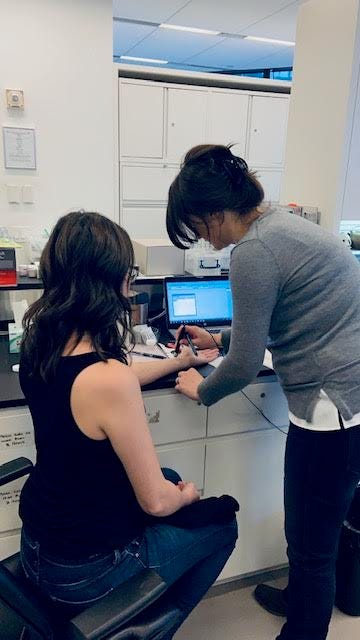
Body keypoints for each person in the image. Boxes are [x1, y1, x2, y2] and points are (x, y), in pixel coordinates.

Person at [166, 144, 360, 640]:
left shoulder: (253, 252)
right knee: (317, 531)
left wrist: (200, 388)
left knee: (311, 543)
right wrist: (221, 337)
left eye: (199, 227)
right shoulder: (281, 225)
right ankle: (299, 600)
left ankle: (303, 631)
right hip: (350, 395)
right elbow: (286, 310)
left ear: (215, 212)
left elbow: (246, 365)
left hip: (328, 407)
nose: (204, 242)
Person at [19, 210, 238, 638]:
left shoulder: (40, 342)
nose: (131, 283)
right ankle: (143, 628)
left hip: (39, 547)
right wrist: (187, 497)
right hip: (84, 571)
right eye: (128, 273)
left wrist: (178, 362)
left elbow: (102, 382)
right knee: (219, 518)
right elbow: (156, 503)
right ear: (109, 280)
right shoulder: (108, 378)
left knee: (167, 478)